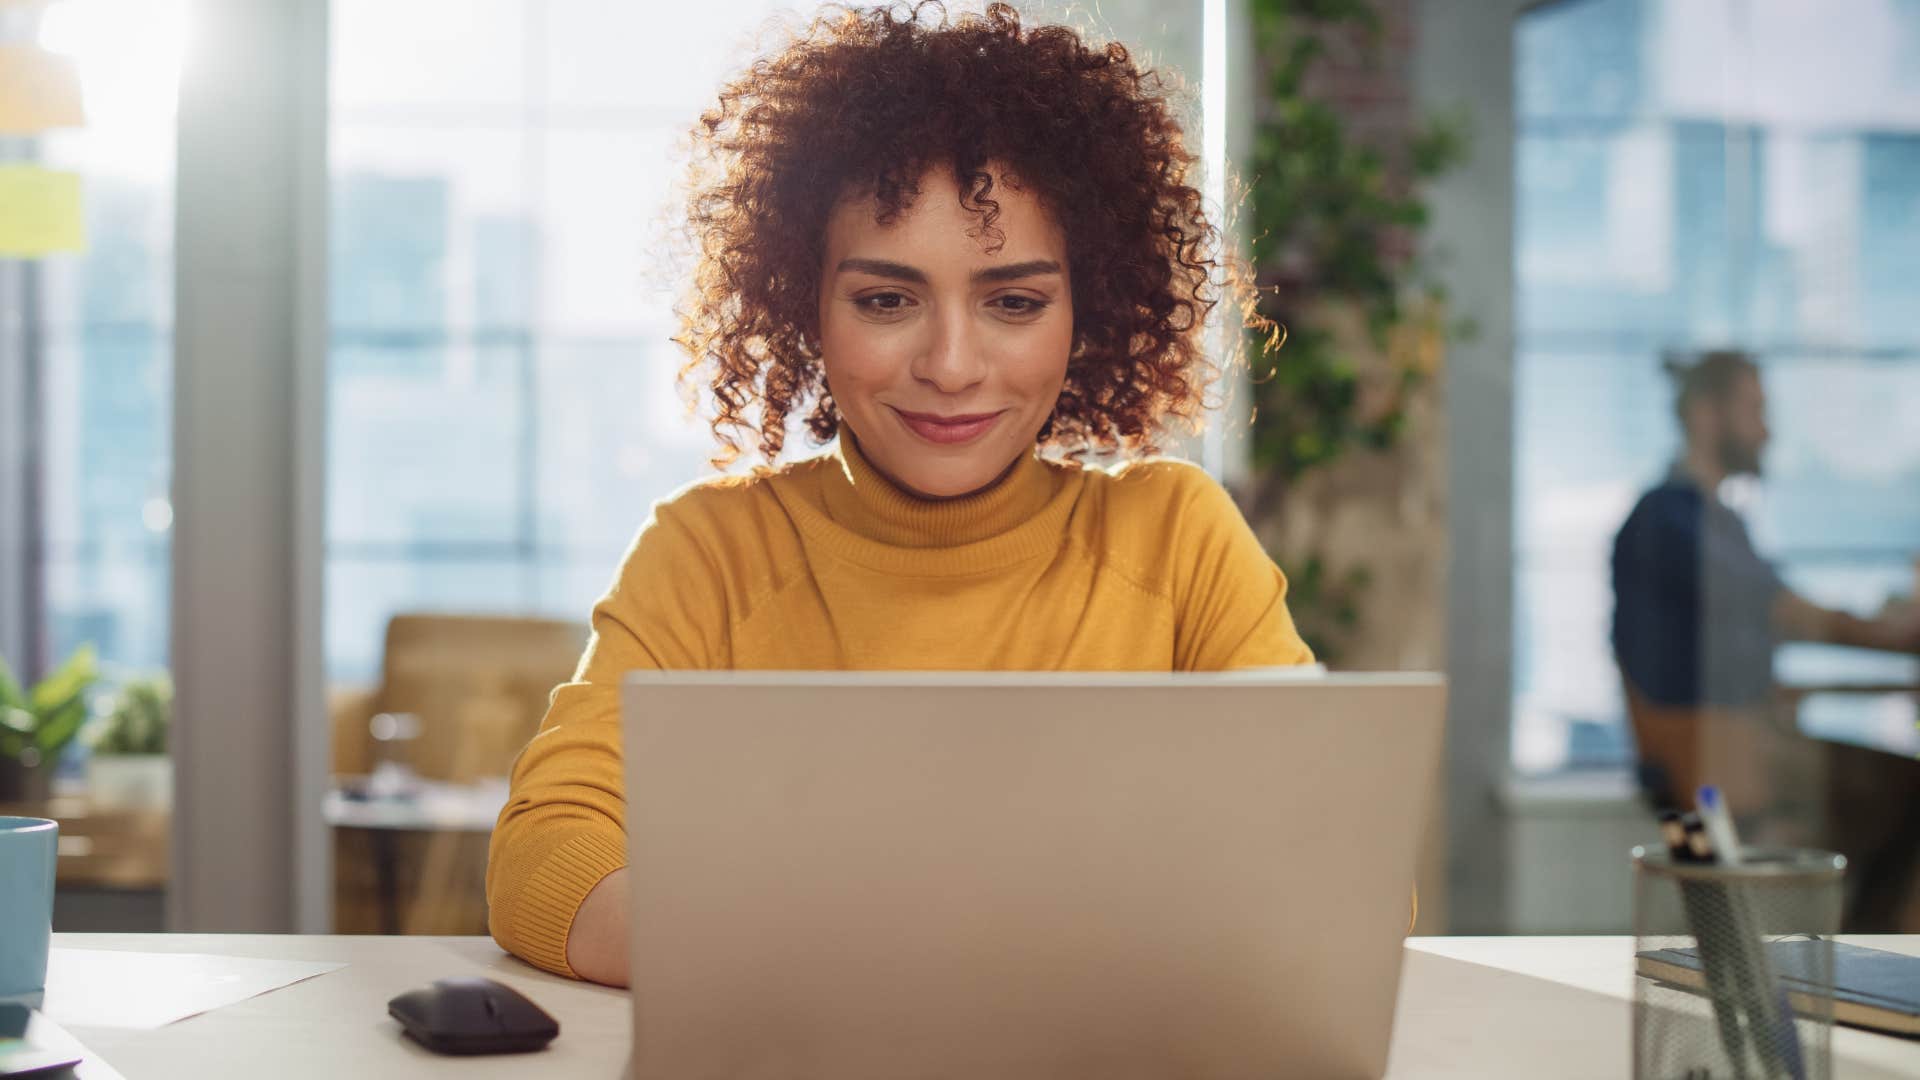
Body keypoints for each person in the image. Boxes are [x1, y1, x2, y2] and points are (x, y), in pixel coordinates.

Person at [486, 3, 1314, 986]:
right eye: (887, 300)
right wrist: (863, 963)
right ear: (806, 305)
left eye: (1014, 301)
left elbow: (1330, 876)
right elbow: (547, 856)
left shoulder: (1176, 541)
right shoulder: (710, 553)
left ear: (1087, 312)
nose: (952, 366)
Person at [1611, 349, 1920, 923]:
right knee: (1911, 792)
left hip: (1742, 743)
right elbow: (1782, 610)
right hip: (1717, 759)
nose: (1767, 429)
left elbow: (1760, 624)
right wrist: (1891, 634)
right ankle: (1878, 966)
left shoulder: (1712, 519)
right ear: (1707, 415)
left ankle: (1868, 957)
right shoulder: (1671, 517)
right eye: (1754, 409)